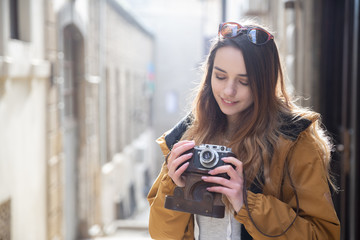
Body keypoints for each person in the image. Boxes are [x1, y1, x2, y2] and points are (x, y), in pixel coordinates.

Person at [147, 21, 340, 240]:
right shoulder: (187, 134)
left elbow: (322, 235)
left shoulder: (295, 141)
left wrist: (246, 203)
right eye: (220, 76)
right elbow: (161, 234)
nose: (229, 91)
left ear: (265, 82)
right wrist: (173, 188)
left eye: (244, 81)